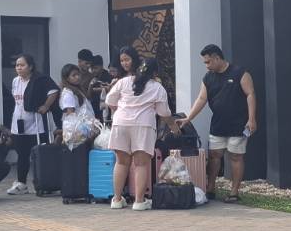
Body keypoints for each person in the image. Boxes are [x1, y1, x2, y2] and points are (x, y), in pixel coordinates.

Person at [178, 44, 258, 202]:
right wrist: (188, 118)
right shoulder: (208, 78)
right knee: (215, 156)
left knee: (236, 156)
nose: (206, 66)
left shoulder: (240, 73)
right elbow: (201, 99)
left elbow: (250, 94)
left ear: (217, 58)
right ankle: (210, 188)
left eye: (208, 62)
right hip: (218, 125)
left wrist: (251, 118)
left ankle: (234, 192)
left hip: (239, 125)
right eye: (205, 63)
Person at [104, 57, 176, 211]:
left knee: (121, 162)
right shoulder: (157, 87)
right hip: (143, 125)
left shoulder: (124, 82)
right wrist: (173, 125)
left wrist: (121, 110)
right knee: (141, 164)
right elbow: (163, 112)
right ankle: (139, 201)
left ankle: (116, 200)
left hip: (120, 123)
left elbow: (110, 100)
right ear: (155, 73)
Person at [5, 54, 59, 196]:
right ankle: (21, 183)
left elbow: (54, 91)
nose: (19, 68)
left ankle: (43, 182)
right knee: (22, 155)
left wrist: (46, 105)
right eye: (17, 65)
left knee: (38, 155)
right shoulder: (15, 81)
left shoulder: (40, 79)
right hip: (19, 122)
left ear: (30, 67)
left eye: (22, 65)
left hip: (36, 124)